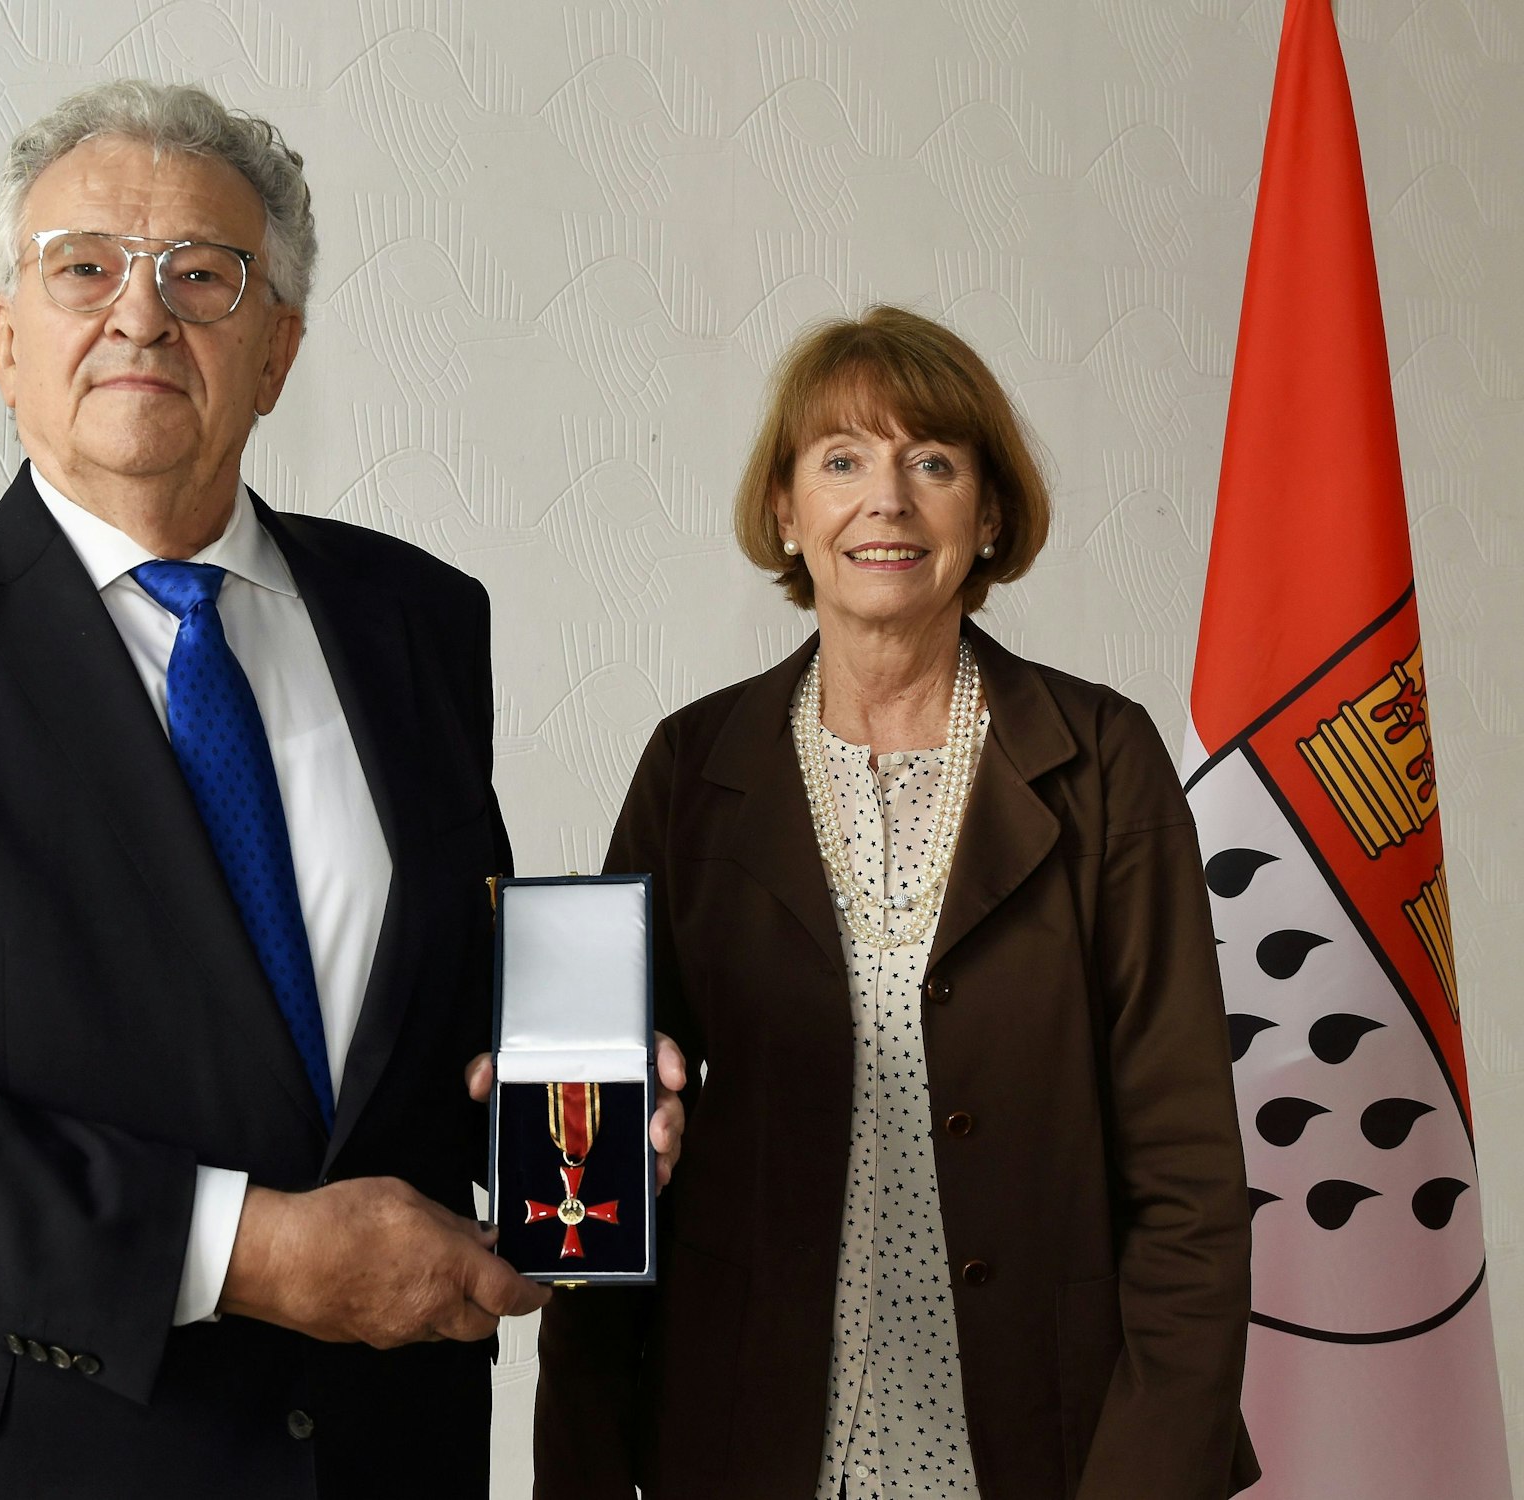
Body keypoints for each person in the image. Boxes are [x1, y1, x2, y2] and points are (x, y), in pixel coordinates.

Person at [0, 78, 682, 1499]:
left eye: (202, 276)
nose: (140, 315)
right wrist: (254, 1254)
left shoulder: (416, 619)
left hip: (373, 1454)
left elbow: (419, 1019)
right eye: (83, 269)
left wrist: (585, 1108)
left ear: (275, 351)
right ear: (4, 340)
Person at [532, 306, 1258, 1500]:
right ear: (784, 511)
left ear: (986, 514)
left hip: (1049, 1438)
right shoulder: (692, 765)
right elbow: (599, 1146)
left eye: (932, 461)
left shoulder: (1099, 757)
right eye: (841, 461)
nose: (888, 501)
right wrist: (582, 1469)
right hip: (742, 1434)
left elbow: (1187, 1181)